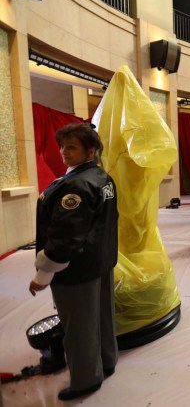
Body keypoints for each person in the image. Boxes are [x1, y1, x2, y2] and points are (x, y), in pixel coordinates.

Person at [29, 123, 118, 401]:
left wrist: (43, 274)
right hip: (99, 262)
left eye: (72, 147)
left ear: (90, 151)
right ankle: (106, 361)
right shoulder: (102, 177)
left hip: (77, 268)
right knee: (102, 317)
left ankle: (86, 380)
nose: (63, 152)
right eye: (62, 146)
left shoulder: (77, 186)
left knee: (79, 327)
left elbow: (65, 238)